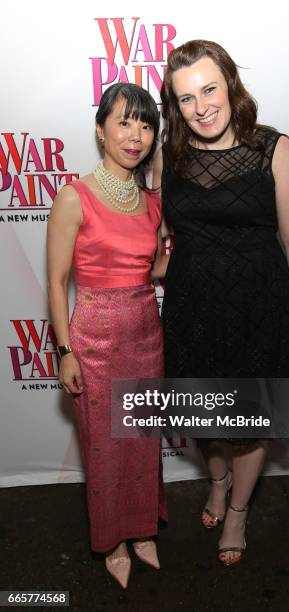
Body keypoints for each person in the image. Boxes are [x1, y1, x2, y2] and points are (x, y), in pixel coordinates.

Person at [154, 40, 289, 566]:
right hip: (193, 305)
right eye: (185, 98)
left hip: (259, 305)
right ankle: (218, 481)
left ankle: (239, 512)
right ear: (174, 106)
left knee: (250, 424)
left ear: (230, 84)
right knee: (206, 414)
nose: (201, 106)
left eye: (209, 89)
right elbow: (158, 236)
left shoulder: (273, 148)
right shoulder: (170, 154)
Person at [47, 83, 167, 589]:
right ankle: (113, 539)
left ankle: (141, 530)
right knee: (103, 445)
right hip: (93, 340)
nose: (135, 135)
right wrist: (65, 352)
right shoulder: (74, 197)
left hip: (145, 334)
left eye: (145, 124)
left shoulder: (151, 202)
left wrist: (178, 252)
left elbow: (154, 270)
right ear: (101, 129)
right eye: (124, 122)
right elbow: (55, 282)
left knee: (141, 439)